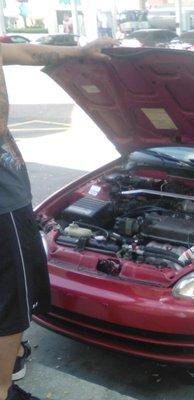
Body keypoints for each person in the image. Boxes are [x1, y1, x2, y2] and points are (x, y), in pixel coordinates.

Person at [0, 37, 117, 400]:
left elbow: (24, 52)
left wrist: (80, 53)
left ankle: (13, 361)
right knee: (11, 305)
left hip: (10, 201)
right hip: (3, 207)